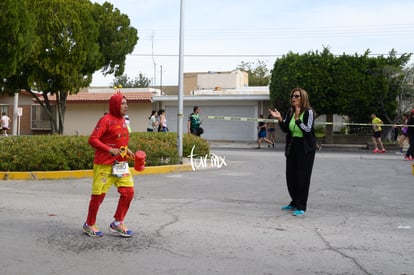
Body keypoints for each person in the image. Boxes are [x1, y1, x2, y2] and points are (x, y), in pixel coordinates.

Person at [82, 91, 136, 238]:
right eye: (123, 103)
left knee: (129, 192)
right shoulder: (105, 120)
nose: (126, 106)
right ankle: (89, 224)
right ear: (115, 105)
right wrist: (109, 149)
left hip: (121, 164)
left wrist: (128, 150)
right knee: (98, 196)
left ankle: (118, 222)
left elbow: (122, 140)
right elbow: (93, 139)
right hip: (104, 164)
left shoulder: (125, 120)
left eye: (126, 103)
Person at [268, 88, 317, 217]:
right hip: (292, 146)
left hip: (305, 148)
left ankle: (301, 206)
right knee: (291, 176)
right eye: (292, 96)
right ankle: (294, 202)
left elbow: (307, 130)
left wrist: (298, 119)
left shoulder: (309, 112)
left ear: (303, 98)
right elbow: (285, 129)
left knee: (303, 177)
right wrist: (279, 119)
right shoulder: (290, 111)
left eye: (296, 96)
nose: (293, 98)